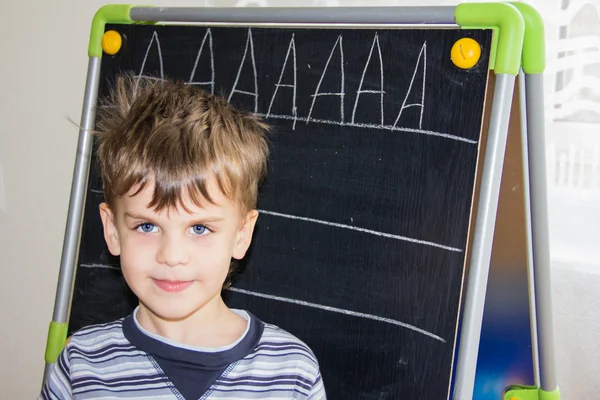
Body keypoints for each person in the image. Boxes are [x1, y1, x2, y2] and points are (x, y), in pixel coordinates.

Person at [40, 74, 326, 399]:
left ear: (241, 234)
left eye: (199, 228)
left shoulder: (290, 373)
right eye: (147, 226)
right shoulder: (82, 365)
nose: (172, 256)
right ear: (112, 230)